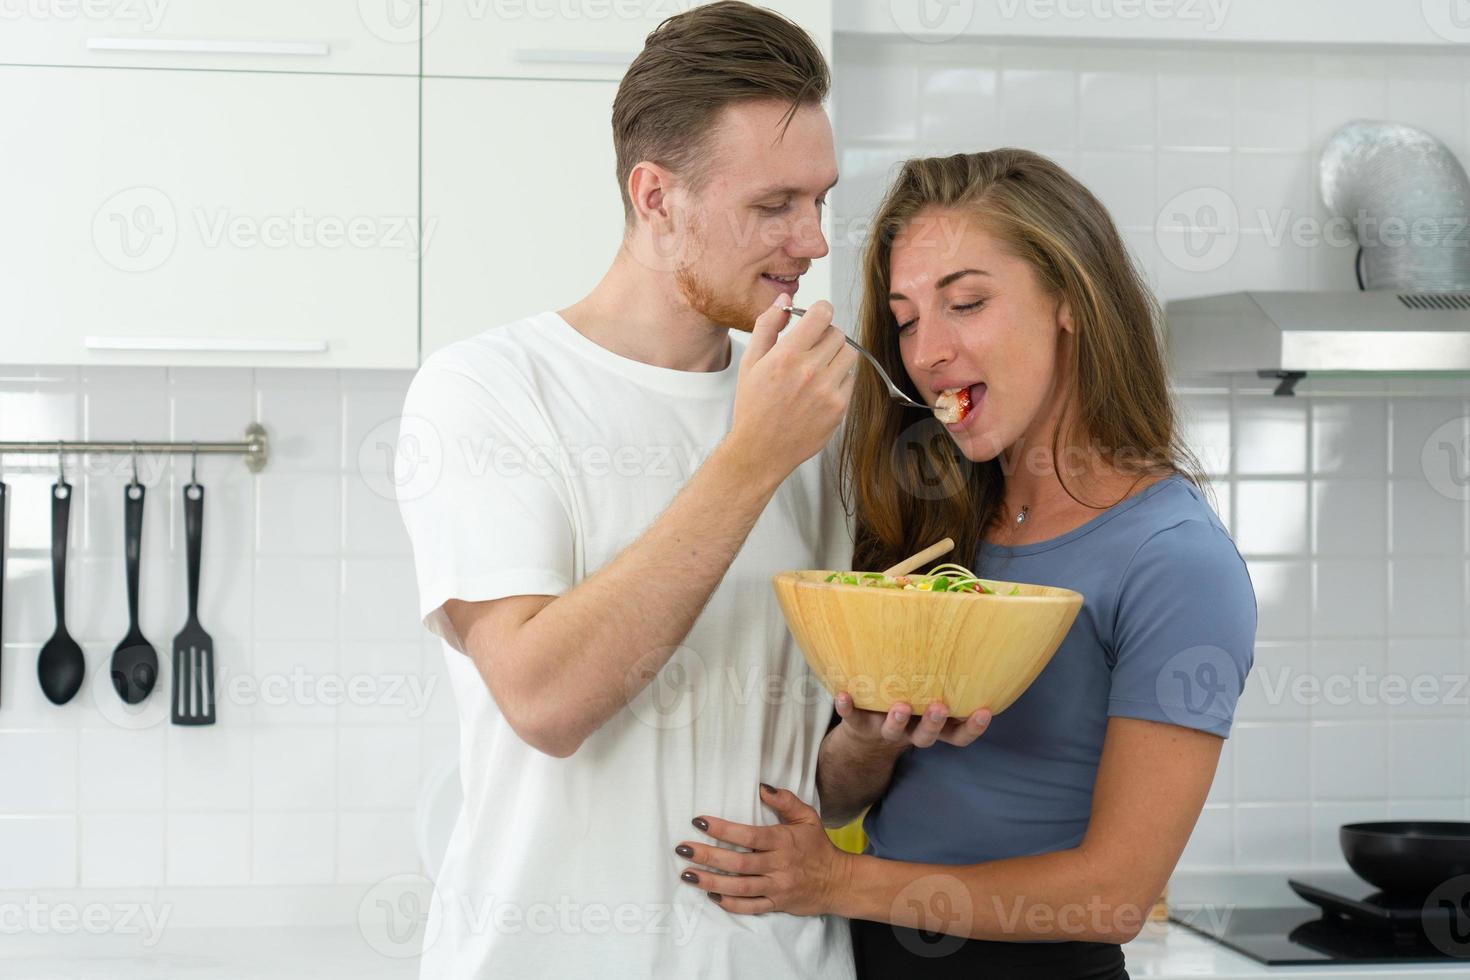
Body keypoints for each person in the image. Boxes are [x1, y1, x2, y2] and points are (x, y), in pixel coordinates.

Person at [673, 149, 1257, 980]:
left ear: (1070, 301)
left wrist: (837, 880)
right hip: (869, 959)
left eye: (968, 303)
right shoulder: (942, 520)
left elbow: (1116, 895)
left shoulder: (1175, 559)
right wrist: (871, 740)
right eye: (907, 319)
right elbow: (841, 795)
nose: (928, 351)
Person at [394, 3, 859, 977]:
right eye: (774, 204)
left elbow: (807, 773)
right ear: (657, 197)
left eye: (821, 199)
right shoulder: (488, 389)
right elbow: (545, 697)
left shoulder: (817, 410)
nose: (814, 240)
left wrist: (882, 738)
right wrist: (751, 455)